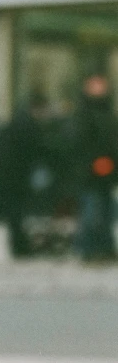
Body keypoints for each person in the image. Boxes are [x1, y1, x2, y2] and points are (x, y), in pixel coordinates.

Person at [0, 94, 51, 259]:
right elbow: (32, 152)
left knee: (0, 211)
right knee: (10, 212)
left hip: (4, 177)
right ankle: (17, 247)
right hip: (11, 178)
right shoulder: (27, 127)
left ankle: (10, 245)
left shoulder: (15, 124)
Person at [67, 71, 118, 263]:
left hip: (107, 172)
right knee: (91, 212)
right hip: (89, 172)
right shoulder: (83, 113)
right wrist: (94, 162)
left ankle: (105, 247)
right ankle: (88, 248)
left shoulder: (107, 113)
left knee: (105, 212)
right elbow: (80, 143)